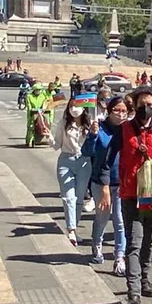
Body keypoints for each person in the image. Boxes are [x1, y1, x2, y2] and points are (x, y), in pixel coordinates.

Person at [99, 86, 152, 304]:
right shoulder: (125, 129)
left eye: (150, 104)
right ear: (134, 106)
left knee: (149, 241)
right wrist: (106, 186)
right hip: (130, 194)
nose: (145, 108)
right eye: (141, 104)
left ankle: (145, 280)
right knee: (134, 242)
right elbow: (108, 159)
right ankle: (133, 293)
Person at [83, 96, 129, 275]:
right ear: (109, 111)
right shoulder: (99, 127)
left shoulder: (127, 129)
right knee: (102, 217)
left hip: (121, 182)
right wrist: (92, 135)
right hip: (100, 182)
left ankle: (119, 257)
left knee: (120, 220)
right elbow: (87, 152)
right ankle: (97, 245)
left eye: (124, 110)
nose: (120, 113)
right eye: (117, 110)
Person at [51, 99, 92, 246]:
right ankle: (71, 230)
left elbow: (95, 144)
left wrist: (94, 132)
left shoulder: (90, 123)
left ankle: (74, 226)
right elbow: (56, 144)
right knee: (69, 198)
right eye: (71, 106)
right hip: (66, 161)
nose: (74, 109)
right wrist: (47, 135)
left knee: (79, 199)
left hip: (84, 162)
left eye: (77, 106)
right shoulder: (64, 123)